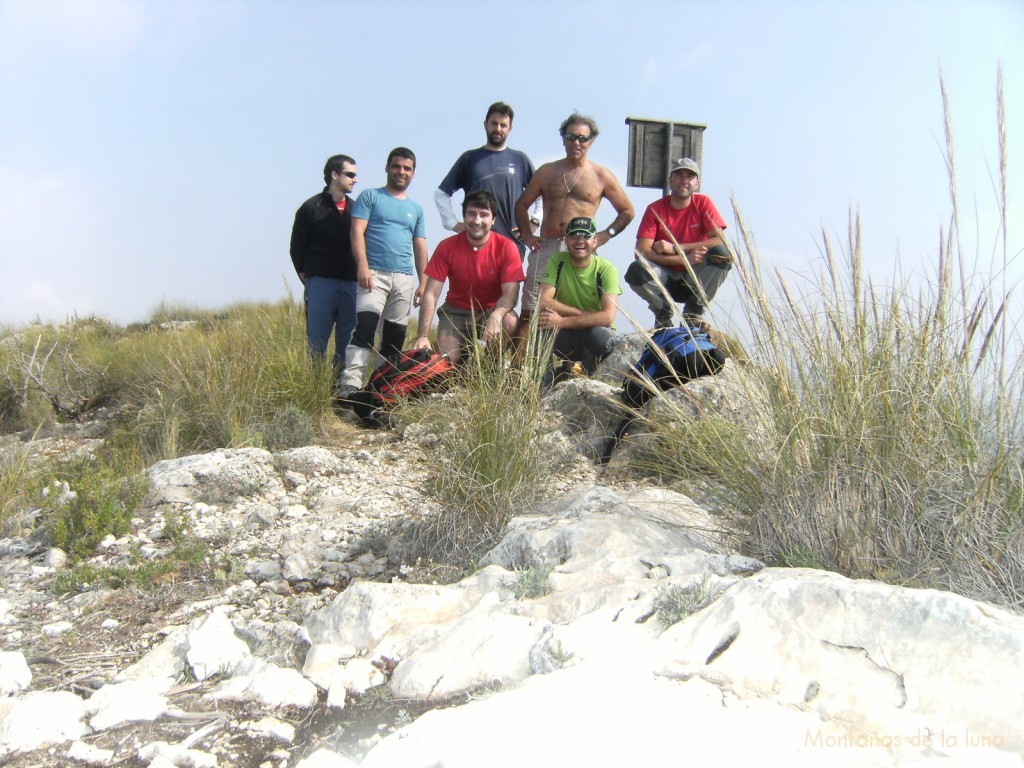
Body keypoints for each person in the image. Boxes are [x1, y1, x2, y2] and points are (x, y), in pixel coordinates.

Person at [514, 112, 634, 337]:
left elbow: (627, 211)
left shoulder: (601, 176)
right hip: (547, 245)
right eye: (571, 137)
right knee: (531, 310)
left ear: (591, 141)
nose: (576, 142)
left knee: (581, 312)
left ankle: (575, 365)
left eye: (582, 138)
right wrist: (527, 236)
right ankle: (520, 371)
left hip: (581, 249)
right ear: (563, 138)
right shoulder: (547, 171)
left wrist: (607, 234)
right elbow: (522, 205)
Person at [337, 147, 428, 391]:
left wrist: (423, 282)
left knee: (394, 337)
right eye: (397, 166)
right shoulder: (370, 197)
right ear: (387, 168)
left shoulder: (416, 209)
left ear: (413, 174)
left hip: (404, 278)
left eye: (407, 168)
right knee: (365, 328)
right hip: (373, 274)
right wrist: (363, 266)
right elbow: (357, 231)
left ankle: (380, 388)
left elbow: (420, 246)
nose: (401, 172)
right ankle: (350, 384)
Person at [413, 190, 524, 364]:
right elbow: (431, 295)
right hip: (455, 311)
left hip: (490, 310)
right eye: (471, 214)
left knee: (510, 321)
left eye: (484, 215)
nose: (477, 221)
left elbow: (511, 294)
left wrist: (496, 315)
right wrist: (422, 335)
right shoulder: (447, 246)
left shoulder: (507, 247)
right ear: (464, 217)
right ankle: (460, 362)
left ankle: (491, 365)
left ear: (493, 220)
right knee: (447, 358)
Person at [624, 157, 731, 328]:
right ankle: (663, 312)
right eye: (679, 174)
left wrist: (677, 248)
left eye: (690, 176)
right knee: (636, 270)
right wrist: (683, 259)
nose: (684, 180)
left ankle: (693, 313)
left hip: (695, 279)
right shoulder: (655, 209)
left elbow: (720, 239)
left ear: (697, 183)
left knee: (721, 255)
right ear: (670, 180)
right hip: (665, 280)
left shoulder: (703, 203)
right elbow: (640, 251)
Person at [434, 101, 542, 258]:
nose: (498, 129)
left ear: (510, 128)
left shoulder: (520, 159)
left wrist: (534, 222)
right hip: (474, 245)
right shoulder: (469, 158)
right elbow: (441, 193)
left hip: (511, 246)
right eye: (494, 123)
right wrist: (452, 223)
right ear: (485, 124)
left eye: (503, 125)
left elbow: (542, 195)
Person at [289, 154, 359, 369]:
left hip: (351, 284)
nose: (355, 180)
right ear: (335, 175)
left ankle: (340, 390)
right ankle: (315, 392)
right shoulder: (311, 207)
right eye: (350, 175)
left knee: (348, 343)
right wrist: (307, 276)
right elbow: (296, 247)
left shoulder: (358, 210)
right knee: (317, 342)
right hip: (320, 284)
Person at [537, 216, 621, 377]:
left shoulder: (606, 269)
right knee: (540, 326)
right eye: (574, 235)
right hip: (566, 333)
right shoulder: (557, 261)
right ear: (566, 240)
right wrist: (583, 315)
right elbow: (544, 300)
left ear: (595, 241)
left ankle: (591, 381)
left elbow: (608, 317)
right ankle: (543, 387)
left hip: (592, 335)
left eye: (586, 236)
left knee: (603, 338)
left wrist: (562, 320)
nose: (580, 240)